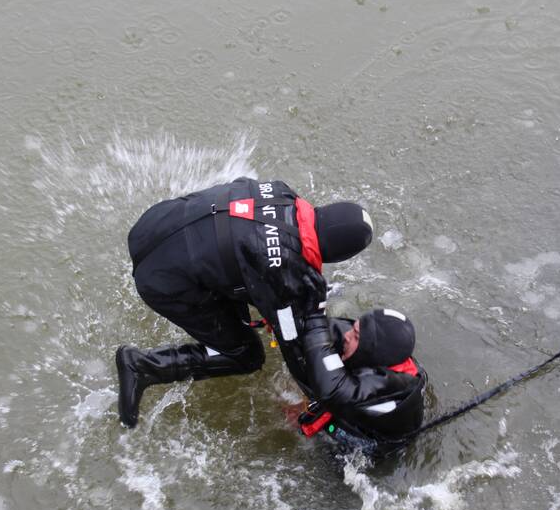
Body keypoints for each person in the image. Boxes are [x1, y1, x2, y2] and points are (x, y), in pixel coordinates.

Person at [117, 177, 373, 428]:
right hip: (160, 281)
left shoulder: (281, 191)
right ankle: (144, 366)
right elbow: (295, 349)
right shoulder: (286, 273)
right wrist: (323, 402)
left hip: (153, 225)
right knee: (247, 355)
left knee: (236, 261)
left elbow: (255, 241)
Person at [297, 307, 428, 454]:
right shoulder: (386, 353)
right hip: (354, 404)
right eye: (354, 329)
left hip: (367, 445)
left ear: (373, 351)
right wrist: (307, 318)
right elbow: (329, 329)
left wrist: (315, 337)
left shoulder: (393, 386)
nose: (347, 336)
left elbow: (333, 391)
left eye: (356, 336)